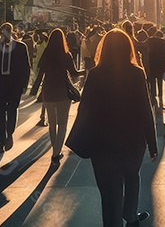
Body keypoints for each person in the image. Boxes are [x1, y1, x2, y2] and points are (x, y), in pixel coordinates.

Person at [66, 29, 157, 227]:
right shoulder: (137, 73)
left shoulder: (95, 75)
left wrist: (80, 139)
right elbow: (145, 109)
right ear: (128, 49)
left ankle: (114, 221)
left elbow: (85, 109)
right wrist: (152, 142)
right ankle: (131, 216)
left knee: (109, 192)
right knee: (132, 176)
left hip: (103, 143)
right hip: (132, 141)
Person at [30, 28, 81, 164]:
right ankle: (57, 152)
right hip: (63, 92)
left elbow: (40, 74)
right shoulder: (66, 55)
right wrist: (87, 71)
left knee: (52, 124)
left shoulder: (46, 54)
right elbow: (74, 73)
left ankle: (54, 151)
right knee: (63, 123)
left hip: (49, 92)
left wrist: (34, 91)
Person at [0, 23, 30, 154]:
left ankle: (9, 133)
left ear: (11, 32)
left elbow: (26, 68)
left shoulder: (21, 47)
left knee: (12, 111)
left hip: (14, 86)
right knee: (0, 115)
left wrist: (24, 85)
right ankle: (0, 145)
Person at [144, 29, 165, 109]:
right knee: (160, 79)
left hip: (152, 63)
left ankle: (153, 94)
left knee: (152, 79)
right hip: (161, 64)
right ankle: (160, 93)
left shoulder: (150, 41)